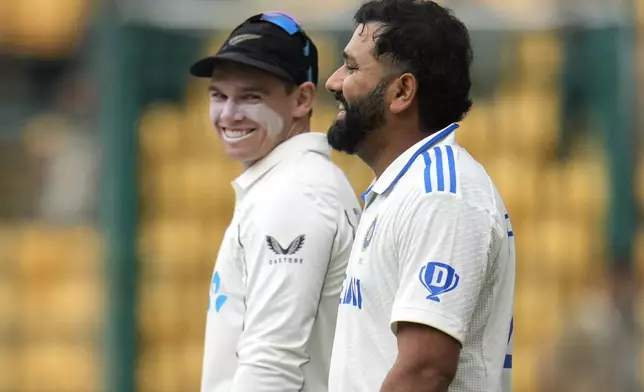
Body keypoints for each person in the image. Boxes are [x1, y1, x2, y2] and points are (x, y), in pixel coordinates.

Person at [324, 1, 515, 391]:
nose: (333, 81)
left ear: (402, 91)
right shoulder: (403, 190)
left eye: (352, 67)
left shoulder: (442, 196)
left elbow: (424, 371)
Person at [188, 12, 361, 392]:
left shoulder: (292, 196)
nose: (229, 114)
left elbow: (271, 366)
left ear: (302, 99)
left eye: (251, 96)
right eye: (219, 95)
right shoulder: (300, 183)